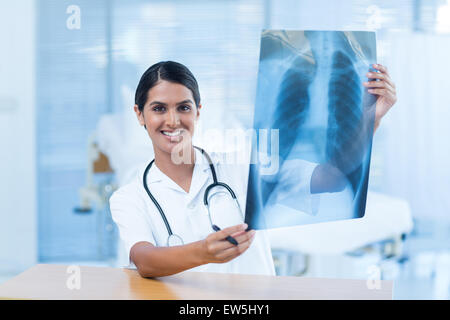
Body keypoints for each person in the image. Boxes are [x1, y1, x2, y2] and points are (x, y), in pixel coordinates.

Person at [109, 60, 397, 278]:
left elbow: (332, 178)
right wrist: (203, 252)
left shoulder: (244, 167)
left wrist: (369, 120)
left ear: (198, 110)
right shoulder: (129, 197)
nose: (172, 120)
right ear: (139, 114)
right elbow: (144, 260)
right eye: (159, 108)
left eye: (183, 108)